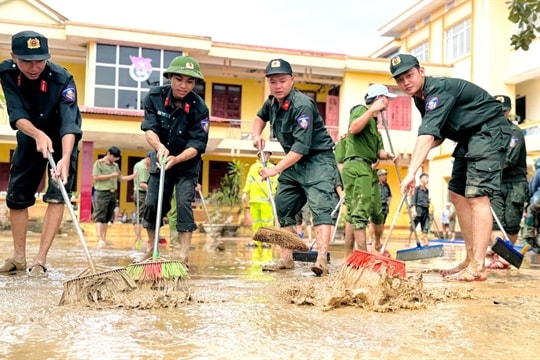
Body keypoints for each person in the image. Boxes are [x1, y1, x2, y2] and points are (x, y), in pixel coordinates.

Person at [390, 54, 511, 281]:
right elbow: (436, 136)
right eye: (400, 79)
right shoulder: (420, 98)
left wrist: (412, 172)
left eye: (409, 75)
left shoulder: (437, 91)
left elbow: (427, 135)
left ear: (421, 71)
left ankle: (478, 266)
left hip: (488, 132)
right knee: (456, 193)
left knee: (477, 197)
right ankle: (469, 258)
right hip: (468, 137)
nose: (406, 82)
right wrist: (418, 156)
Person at [0, 30, 82, 275]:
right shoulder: (7, 72)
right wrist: (37, 134)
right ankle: (18, 257)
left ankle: (40, 260)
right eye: (27, 61)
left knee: (58, 193)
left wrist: (65, 157)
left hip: (62, 137)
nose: (34, 67)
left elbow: (70, 122)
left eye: (40, 60)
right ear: (14, 56)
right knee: (17, 195)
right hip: (29, 133)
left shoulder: (62, 78)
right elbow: (16, 113)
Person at [253, 58, 340, 276]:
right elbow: (259, 118)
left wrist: (275, 169)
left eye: (282, 81)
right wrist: (256, 135)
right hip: (293, 162)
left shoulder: (302, 105)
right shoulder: (271, 102)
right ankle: (286, 259)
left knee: (320, 208)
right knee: (282, 206)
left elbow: (301, 148)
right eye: (273, 82)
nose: (277, 86)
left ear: (292, 80)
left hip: (317, 160)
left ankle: (321, 260)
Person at [139, 55, 209, 267]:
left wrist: (177, 158)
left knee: (184, 204)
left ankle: (183, 255)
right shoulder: (154, 97)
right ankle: (152, 247)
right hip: (160, 158)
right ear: (170, 77)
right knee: (152, 203)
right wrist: (159, 147)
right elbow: (149, 129)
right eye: (179, 79)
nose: (184, 85)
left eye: (189, 81)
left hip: (186, 162)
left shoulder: (200, 108)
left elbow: (197, 145)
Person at [337, 84, 396, 258]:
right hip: (357, 166)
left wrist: (388, 155)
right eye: (386, 98)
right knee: (360, 211)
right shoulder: (361, 110)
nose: (388, 102)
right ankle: (363, 257)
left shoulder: (375, 124)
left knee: (354, 212)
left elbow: (378, 152)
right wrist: (371, 111)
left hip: (366, 166)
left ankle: (349, 258)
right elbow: (353, 128)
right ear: (378, 98)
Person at [488, 95, 528, 269]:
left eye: (503, 111)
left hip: (515, 183)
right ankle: (499, 254)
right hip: (495, 182)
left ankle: (506, 257)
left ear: (509, 111)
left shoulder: (515, 133)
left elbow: (507, 160)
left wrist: (484, 170)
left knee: (511, 221)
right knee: (496, 220)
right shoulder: (488, 131)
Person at [92, 146, 136, 248]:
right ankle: (99, 239)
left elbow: (120, 178)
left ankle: (104, 238)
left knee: (108, 217)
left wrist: (133, 176)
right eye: (114, 157)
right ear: (109, 154)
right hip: (102, 192)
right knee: (100, 216)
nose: (115, 160)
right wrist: (111, 176)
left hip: (112, 193)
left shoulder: (115, 166)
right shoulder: (99, 164)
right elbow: (96, 177)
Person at [242, 150, 278, 247]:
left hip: (267, 199)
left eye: (267, 154)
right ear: (259, 155)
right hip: (254, 199)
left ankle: (266, 241)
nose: (265, 155)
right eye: (263, 154)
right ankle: (256, 240)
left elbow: (276, 183)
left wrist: (273, 195)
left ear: (270, 155)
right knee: (256, 221)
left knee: (267, 221)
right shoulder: (253, 167)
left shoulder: (272, 168)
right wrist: (245, 192)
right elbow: (249, 180)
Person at [132, 151, 152, 249]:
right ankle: (138, 238)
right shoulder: (143, 167)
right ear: (148, 158)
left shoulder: (138, 164)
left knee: (140, 214)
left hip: (138, 192)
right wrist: (154, 191)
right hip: (141, 193)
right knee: (140, 215)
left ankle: (138, 238)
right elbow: (142, 184)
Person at [407, 173, 430, 246]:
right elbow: (413, 199)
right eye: (426, 178)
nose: (427, 179)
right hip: (418, 209)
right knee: (413, 225)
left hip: (425, 210)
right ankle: (408, 240)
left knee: (425, 226)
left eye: (428, 178)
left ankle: (425, 240)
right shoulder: (416, 189)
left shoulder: (427, 190)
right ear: (421, 179)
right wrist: (414, 210)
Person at [522, 158, 540, 250]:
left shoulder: (538, 173)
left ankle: (528, 237)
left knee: (531, 210)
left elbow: (532, 189)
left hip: (537, 202)